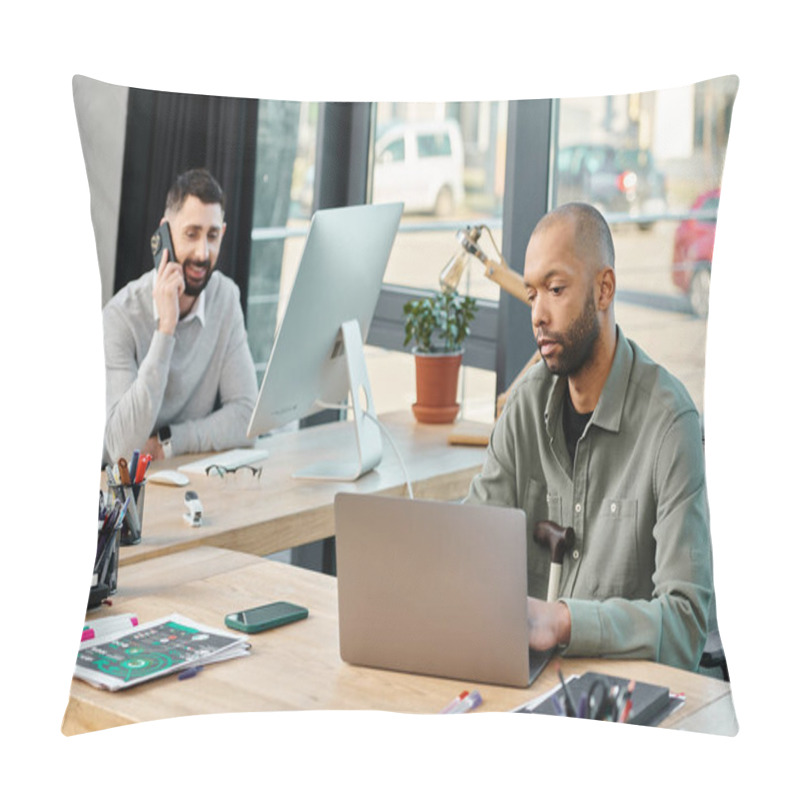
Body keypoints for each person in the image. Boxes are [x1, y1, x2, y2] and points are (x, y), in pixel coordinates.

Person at [465, 202, 714, 671]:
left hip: (625, 708)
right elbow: (467, 550)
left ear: (604, 290)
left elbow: (685, 626)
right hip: (529, 690)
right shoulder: (523, 406)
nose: (538, 314)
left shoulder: (670, 423)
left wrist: (564, 622)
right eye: (532, 293)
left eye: (556, 290)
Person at [102, 167, 258, 464]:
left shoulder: (225, 298)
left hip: (185, 474)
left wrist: (169, 441)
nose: (203, 253)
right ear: (165, 233)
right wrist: (166, 329)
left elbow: (247, 417)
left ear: (222, 234)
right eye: (191, 234)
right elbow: (120, 450)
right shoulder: (119, 317)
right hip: (124, 495)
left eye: (212, 235)